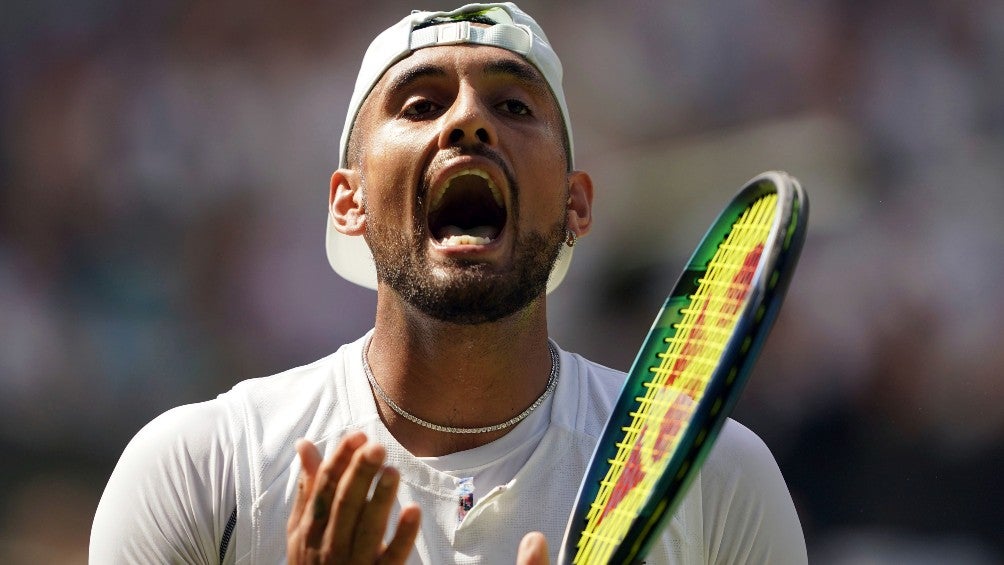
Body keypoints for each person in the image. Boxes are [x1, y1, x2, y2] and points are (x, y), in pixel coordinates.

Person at [90, 3, 808, 563]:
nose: (468, 121)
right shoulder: (200, 469)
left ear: (574, 204)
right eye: (421, 104)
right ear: (349, 201)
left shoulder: (719, 478)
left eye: (514, 107)